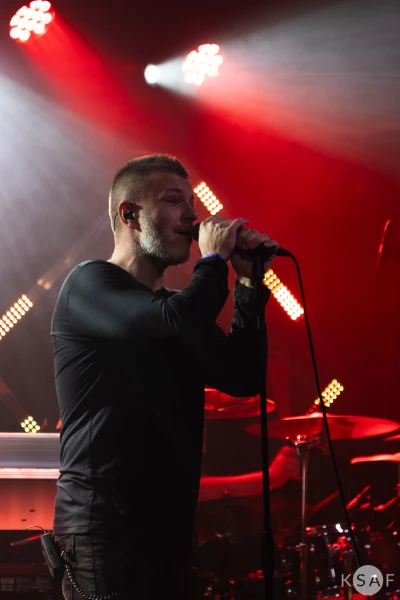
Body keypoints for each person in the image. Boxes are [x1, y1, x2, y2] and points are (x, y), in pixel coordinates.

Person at [50, 153, 278, 600]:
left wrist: (249, 286)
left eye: (192, 202)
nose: (192, 215)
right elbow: (174, 321)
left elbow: (242, 376)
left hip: (170, 533)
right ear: (129, 214)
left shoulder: (174, 311)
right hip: (104, 533)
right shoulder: (89, 285)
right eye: (174, 201)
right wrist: (214, 259)